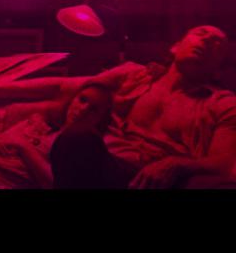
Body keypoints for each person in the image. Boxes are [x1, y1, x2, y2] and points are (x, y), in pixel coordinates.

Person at [49, 25, 236, 189]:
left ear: (218, 67)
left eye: (217, 43)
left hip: (166, 180)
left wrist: (175, 164)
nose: (207, 40)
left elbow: (223, 162)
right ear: (175, 47)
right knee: (76, 138)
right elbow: (62, 87)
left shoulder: (223, 104)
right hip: (109, 162)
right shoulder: (135, 75)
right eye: (201, 33)